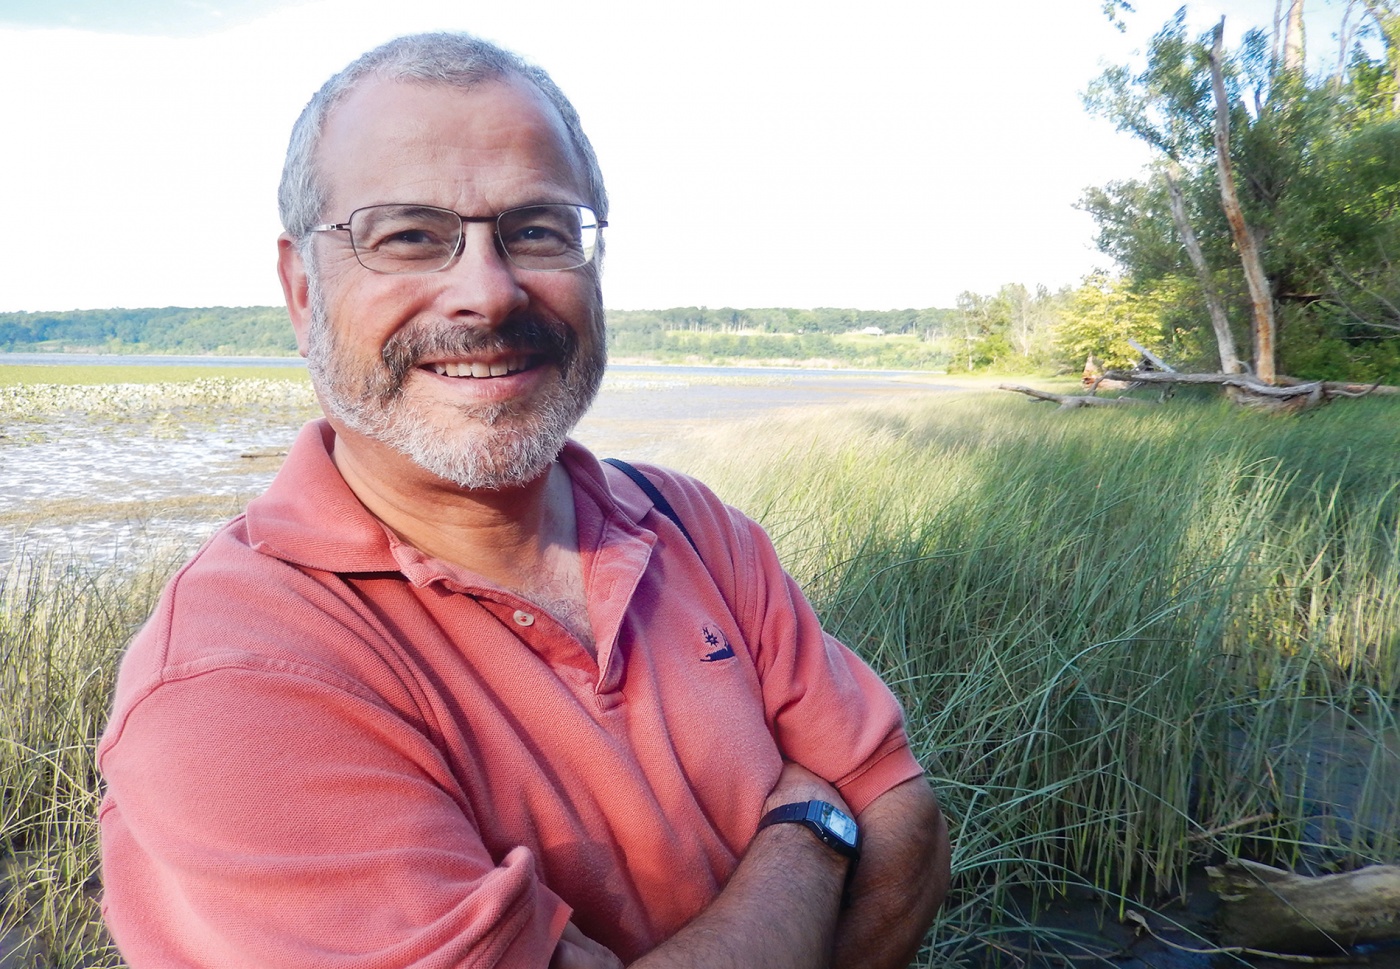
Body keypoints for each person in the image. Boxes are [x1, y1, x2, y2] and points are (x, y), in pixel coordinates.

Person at [97, 32, 949, 969]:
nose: (487, 293)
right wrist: (810, 827)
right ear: (304, 291)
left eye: (537, 229)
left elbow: (906, 821)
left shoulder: (696, 529)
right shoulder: (236, 678)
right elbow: (858, 812)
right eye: (410, 235)